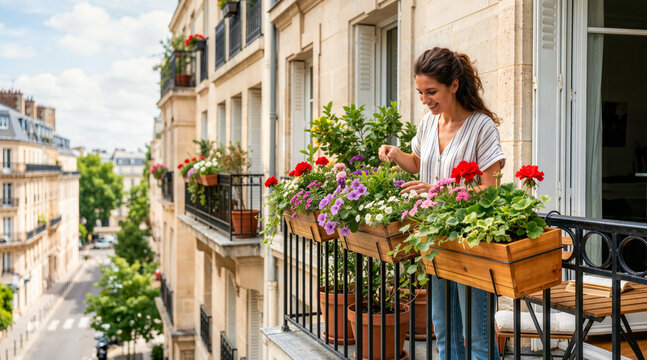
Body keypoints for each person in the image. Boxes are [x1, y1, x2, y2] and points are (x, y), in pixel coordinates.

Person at [379, 47, 505, 360]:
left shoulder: (482, 128)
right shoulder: (427, 125)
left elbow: (490, 191)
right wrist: (397, 155)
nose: (425, 99)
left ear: (454, 85)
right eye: (421, 92)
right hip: (435, 238)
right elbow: (420, 162)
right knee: (445, 334)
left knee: (478, 340)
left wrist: (437, 191)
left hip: (472, 242)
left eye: (431, 91)